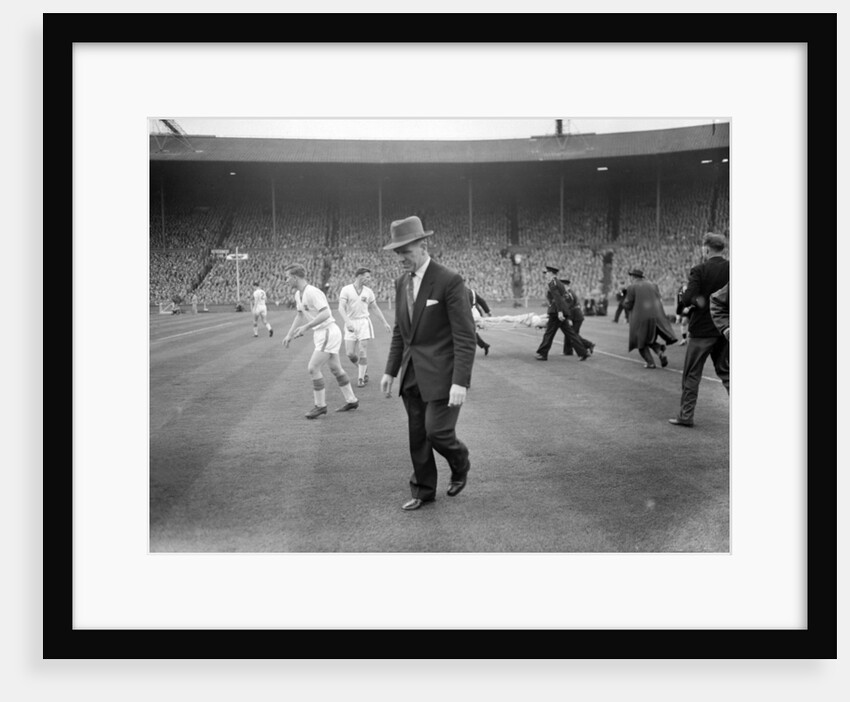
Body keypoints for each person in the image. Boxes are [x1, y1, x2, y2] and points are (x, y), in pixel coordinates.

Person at [379, 216, 477, 511]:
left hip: (443, 376)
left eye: (405, 251)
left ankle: (460, 462)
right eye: (397, 252)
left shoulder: (449, 280)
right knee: (418, 436)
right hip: (411, 373)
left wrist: (460, 381)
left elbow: (465, 337)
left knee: (437, 432)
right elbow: (401, 331)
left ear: (423, 246)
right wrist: (390, 370)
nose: (401, 258)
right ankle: (423, 490)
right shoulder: (401, 283)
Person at [281, 264, 359, 419]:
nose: (286, 280)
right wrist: (289, 334)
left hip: (327, 331)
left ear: (295, 277)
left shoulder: (312, 292)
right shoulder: (298, 294)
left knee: (313, 368)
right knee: (336, 369)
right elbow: (300, 315)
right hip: (322, 333)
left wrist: (306, 327)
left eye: (287, 277)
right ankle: (352, 400)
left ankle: (320, 406)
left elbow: (326, 313)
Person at [669, 233, 730, 427]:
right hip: (724, 328)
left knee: (692, 374)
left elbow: (688, 299)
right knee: (727, 373)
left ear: (706, 248)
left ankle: (686, 416)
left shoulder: (699, 270)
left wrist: (691, 299)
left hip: (701, 329)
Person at [338, 267, 392, 388]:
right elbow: (341, 308)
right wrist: (348, 322)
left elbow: (375, 307)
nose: (369, 279)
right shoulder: (346, 290)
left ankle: (361, 378)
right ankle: (363, 368)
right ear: (359, 276)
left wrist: (384, 322)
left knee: (362, 349)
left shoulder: (368, 292)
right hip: (350, 322)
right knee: (350, 353)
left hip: (363, 322)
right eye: (367, 277)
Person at [622, 268, 677, 368]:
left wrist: (624, 298)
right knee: (649, 340)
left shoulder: (631, 287)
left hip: (641, 319)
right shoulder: (653, 285)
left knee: (640, 343)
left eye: (631, 276)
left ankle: (650, 363)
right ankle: (660, 352)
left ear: (633, 276)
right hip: (655, 318)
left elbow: (628, 304)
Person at [535, 266, 589, 361]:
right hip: (561, 310)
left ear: (551, 273)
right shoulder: (558, 283)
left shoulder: (553, 283)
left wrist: (560, 312)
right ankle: (583, 352)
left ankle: (543, 353)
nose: (545, 275)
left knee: (549, 333)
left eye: (546, 273)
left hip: (556, 311)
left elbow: (557, 298)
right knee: (570, 333)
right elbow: (563, 298)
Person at [560, 278, 596, 357]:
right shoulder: (568, 293)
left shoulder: (568, 294)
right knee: (569, 333)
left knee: (573, 334)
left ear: (565, 285)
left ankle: (589, 344)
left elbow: (569, 307)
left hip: (576, 317)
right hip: (575, 316)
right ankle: (568, 351)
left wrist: (569, 318)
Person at [467, 287, 491, 356]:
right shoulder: (472, 292)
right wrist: (488, 311)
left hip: (468, 315)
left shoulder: (460, 292)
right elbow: (481, 301)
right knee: (471, 333)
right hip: (475, 314)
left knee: (469, 333)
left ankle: (482, 346)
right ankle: (484, 345)